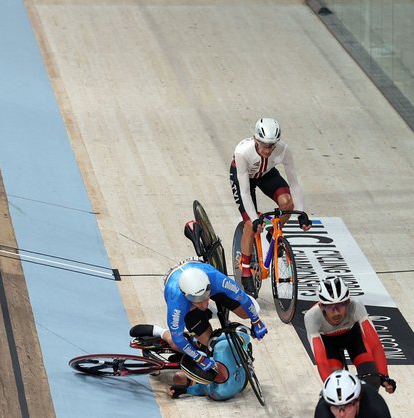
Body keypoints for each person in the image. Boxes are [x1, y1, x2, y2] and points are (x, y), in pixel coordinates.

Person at [229, 117, 311, 297]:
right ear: (255, 139)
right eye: (264, 145)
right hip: (243, 178)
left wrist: (302, 213)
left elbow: (294, 184)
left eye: (271, 145)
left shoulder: (283, 150)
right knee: (251, 224)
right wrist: (255, 218)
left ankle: (272, 233)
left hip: (266, 174)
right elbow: (244, 192)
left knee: (287, 203)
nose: (267, 149)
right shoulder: (243, 152)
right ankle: (245, 270)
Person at [162, 257, 267, 382]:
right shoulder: (176, 303)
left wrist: (256, 321)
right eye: (199, 302)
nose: (205, 305)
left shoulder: (217, 280)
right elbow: (177, 338)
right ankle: (195, 337)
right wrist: (199, 358)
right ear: (186, 296)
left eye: (206, 299)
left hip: (208, 281)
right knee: (208, 342)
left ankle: (206, 298)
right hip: (183, 296)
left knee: (245, 313)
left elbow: (243, 298)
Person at [305, 276, 396, 394]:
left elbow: (375, 345)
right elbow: (321, 359)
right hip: (328, 344)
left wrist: (384, 376)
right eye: (330, 307)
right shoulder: (312, 317)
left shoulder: (356, 306)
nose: (336, 312)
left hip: (352, 337)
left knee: (372, 380)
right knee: (337, 384)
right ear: (321, 306)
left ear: (348, 302)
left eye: (340, 305)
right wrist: (330, 386)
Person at [314, 369, 394, 418]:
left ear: (358, 401)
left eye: (346, 406)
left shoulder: (373, 401)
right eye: (335, 407)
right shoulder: (323, 411)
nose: (342, 414)